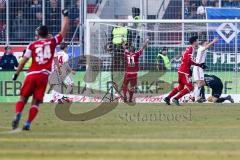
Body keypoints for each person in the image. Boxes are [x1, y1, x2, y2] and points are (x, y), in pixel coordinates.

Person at [11, 9, 69, 131]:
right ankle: (27, 123)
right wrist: (65, 16)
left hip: (31, 74)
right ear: (47, 34)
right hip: (43, 75)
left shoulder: (32, 45)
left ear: (38, 34)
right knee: (36, 102)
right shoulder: (52, 41)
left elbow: (23, 61)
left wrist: (16, 73)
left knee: (23, 98)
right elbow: (63, 31)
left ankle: (18, 114)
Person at [164, 36, 206, 106]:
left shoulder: (188, 48)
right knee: (190, 87)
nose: (198, 42)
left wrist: (190, 66)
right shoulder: (191, 49)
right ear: (194, 42)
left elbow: (183, 59)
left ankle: (168, 98)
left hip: (181, 70)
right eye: (197, 41)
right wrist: (199, 65)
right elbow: (188, 60)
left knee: (180, 87)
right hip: (184, 72)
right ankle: (176, 98)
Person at [122, 39, 149, 103]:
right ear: (134, 51)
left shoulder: (126, 54)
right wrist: (146, 42)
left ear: (129, 50)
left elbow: (124, 47)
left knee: (124, 85)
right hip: (134, 73)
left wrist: (123, 41)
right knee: (132, 86)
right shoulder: (136, 54)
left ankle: (125, 95)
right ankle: (130, 99)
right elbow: (142, 48)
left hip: (127, 73)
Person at [192, 37, 219, 102]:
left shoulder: (202, 49)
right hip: (197, 68)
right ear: (203, 44)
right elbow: (207, 46)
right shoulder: (201, 48)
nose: (207, 44)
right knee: (200, 83)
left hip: (200, 68)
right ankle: (195, 97)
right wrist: (213, 41)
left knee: (201, 83)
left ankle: (194, 97)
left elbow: (207, 47)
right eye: (206, 43)